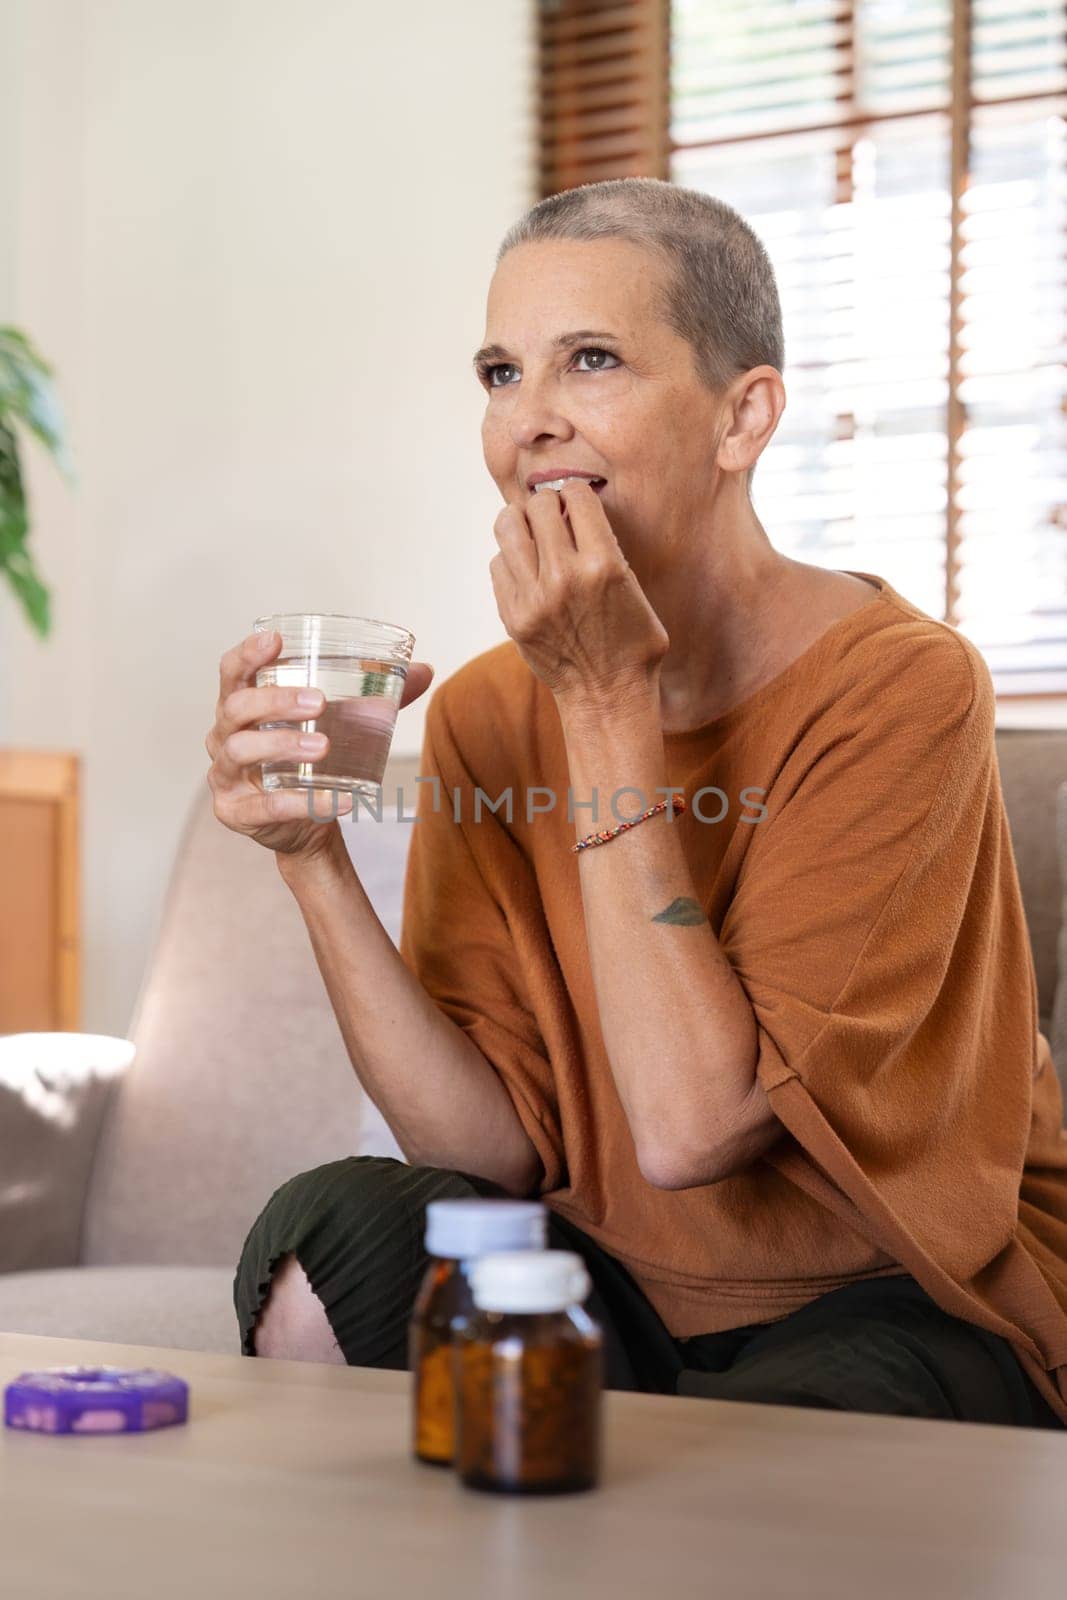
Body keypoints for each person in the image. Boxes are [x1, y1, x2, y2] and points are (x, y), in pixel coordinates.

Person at [209, 177, 1067, 1427]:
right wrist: (312, 862)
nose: (529, 423)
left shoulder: (900, 684)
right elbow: (490, 1152)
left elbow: (689, 1129)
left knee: (785, 1432)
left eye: (592, 360)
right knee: (330, 1228)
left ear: (742, 417)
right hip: (602, 1286)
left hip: (898, 1293)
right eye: (501, 375)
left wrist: (605, 702)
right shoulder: (490, 711)